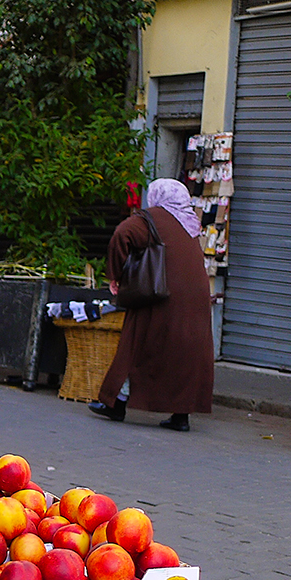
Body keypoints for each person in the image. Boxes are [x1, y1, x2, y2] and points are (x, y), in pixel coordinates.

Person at [88, 178, 214, 431]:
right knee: (186, 354)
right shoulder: (188, 220)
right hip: (197, 297)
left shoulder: (152, 217)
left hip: (161, 294)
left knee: (136, 345)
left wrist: (117, 274)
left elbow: (122, 235)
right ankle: (181, 417)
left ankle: (116, 403)